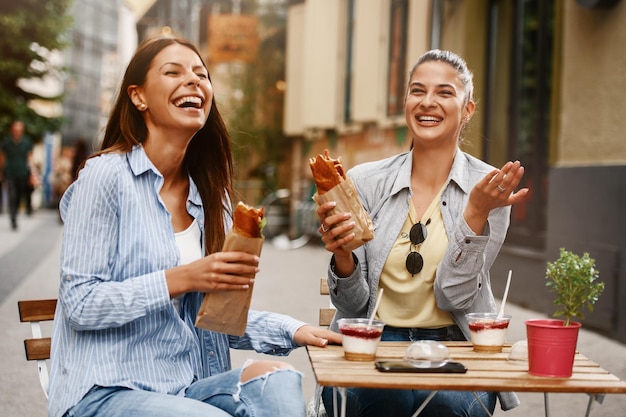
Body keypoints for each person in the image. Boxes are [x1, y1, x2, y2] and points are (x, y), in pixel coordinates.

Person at [48, 35, 341, 417]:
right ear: (138, 97)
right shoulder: (105, 177)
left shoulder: (211, 196)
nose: (194, 81)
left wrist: (292, 330)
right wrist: (183, 278)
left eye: (201, 75)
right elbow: (80, 304)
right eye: (173, 72)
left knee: (279, 382)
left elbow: (211, 315)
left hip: (186, 389)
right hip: (106, 390)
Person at [316, 50, 528, 417]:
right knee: (381, 401)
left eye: (445, 93)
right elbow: (351, 306)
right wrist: (343, 255)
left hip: (456, 347)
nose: (428, 102)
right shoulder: (365, 182)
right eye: (418, 91)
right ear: (405, 103)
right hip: (373, 342)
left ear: (467, 110)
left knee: (445, 407)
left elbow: (454, 296)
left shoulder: (490, 189)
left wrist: (476, 213)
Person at [1, 119, 34, 230]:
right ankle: (13, 217)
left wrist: (32, 173)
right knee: (12, 195)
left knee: (19, 195)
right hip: (10, 172)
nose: (17, 132)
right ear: (12, 130)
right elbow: (2, 157)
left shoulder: (26, 142)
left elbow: (29, 158)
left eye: (19, 130)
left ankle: (15, 213)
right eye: (15, 130)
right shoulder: (6, 142)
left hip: (22, 173)